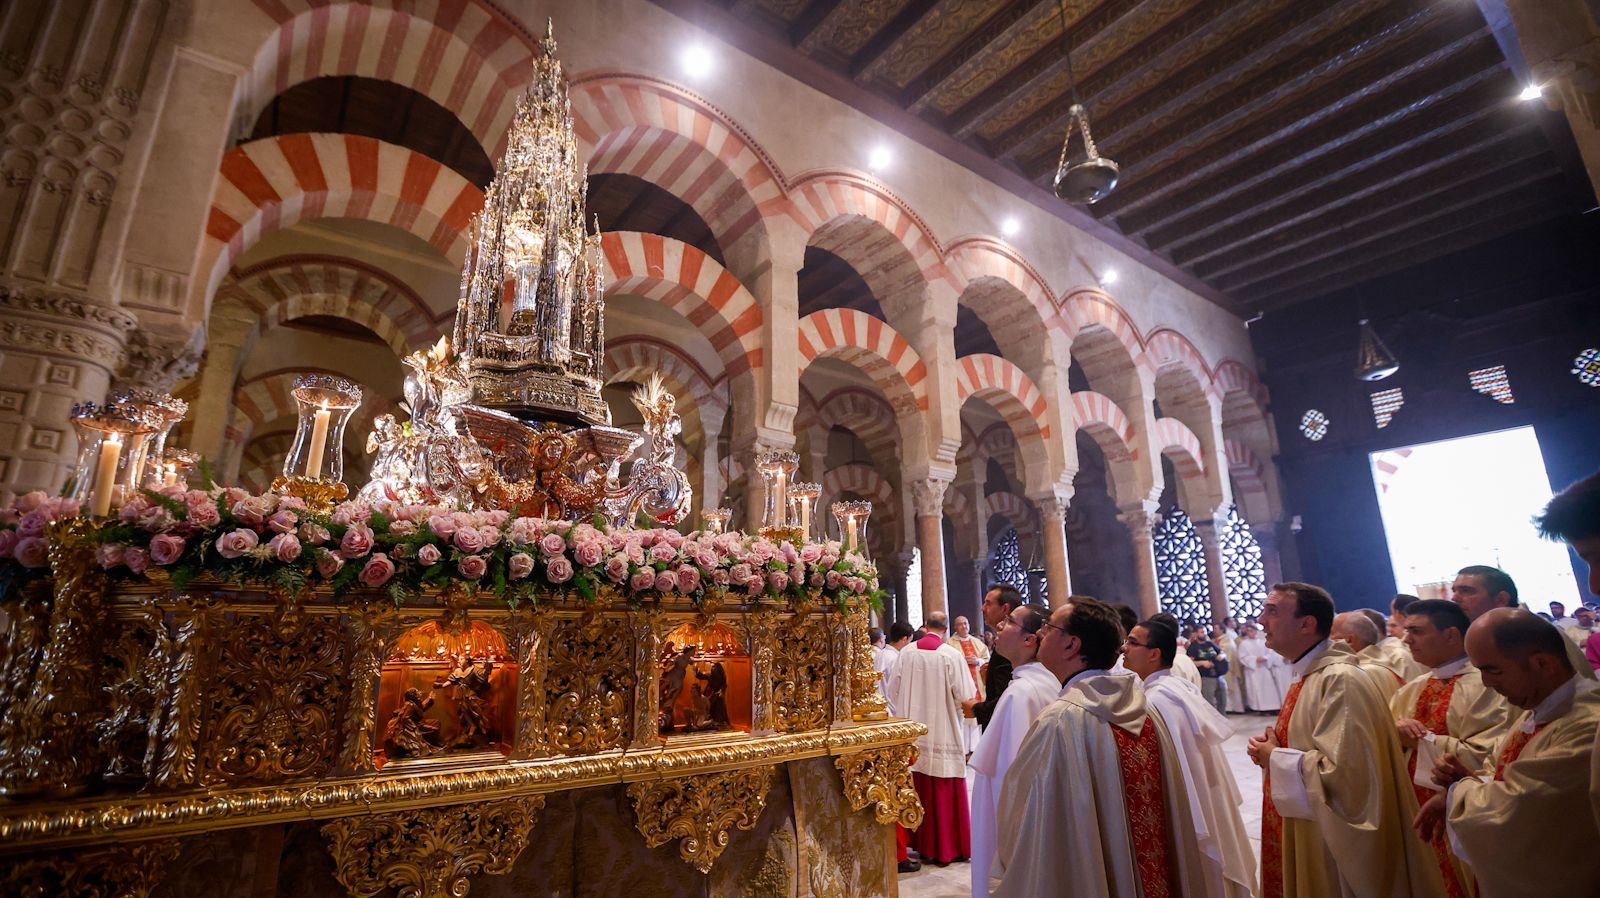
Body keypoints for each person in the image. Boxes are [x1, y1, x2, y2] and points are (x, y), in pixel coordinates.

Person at [993, 596, 1207, 897]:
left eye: (1051, 627)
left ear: (1072, 645)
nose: (1041, 634)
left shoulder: (1061, 720)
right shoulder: (1146, 710)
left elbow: (1031, 826)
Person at [1248, 582, 1445, 898]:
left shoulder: (1340, 680)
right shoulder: (1310, 675)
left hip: (1335, 852)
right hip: (1310, 829)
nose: (1260, 620)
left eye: (1271, 611)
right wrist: (1279, 743)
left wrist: (1275, 758)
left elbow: (1348, 780)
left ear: (1307, 623)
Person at [1415, 609, 1600, 896]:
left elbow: (1522, 810)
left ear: (1543, 664)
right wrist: (1470, 778)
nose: (1487, 684)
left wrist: (1457, 794)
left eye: (1493, 670)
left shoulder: (1587, 726)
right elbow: (1502, 776)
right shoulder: (1533, 713)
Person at [1124, 613, 1255, 898]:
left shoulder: (1158, 699)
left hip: (1193, 799)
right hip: (1207, 794)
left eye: (1132, 642)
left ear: (1154, 654)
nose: (1124, 648)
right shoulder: (1173, 688)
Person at [1391, 599, 1512, 897]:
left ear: (1451, 635)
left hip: (1464, 813)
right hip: (1414, 808)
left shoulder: (1487, 684)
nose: (1406, 639)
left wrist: (1420, 741)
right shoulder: (1410, 688)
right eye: (1406, 631)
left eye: (1416, 631)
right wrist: (1393, 732)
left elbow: (1489, 755)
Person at [969, 604, 1058, 897]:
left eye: (1008, 621)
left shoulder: (1020, 695)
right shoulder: (1045, 682)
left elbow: (1011, 784)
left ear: (1029, 639)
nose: (999, 626)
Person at [886, 610, 974, 867]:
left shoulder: (907, 653)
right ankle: (947, 848)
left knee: (915, 785)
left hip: (913, 735)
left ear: (926, 626)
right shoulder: (951, 655)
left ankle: (919, 843)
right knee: (944, 790)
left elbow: (893, 690)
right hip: (943, 730)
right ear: (946, 630)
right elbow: (965, 694)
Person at [1451, 564, 1594, 680]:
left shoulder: (1533, 633)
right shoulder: (1492, 633)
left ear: (1501, 599)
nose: (1454, 598)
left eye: (1466, 591)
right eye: (1455, 591)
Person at [968, 584, 1022, 730]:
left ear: (1004, 608)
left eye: (988, 603)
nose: (982, 608)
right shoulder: (1015, 641)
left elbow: (1006, 698)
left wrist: (975, 709)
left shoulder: (1008, 645)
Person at [1331, 610, 1403, 703]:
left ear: (1349, 640)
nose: (1327, 640)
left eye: (1331, 633)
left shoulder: (1355, 674)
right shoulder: (1384, 666)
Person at [1237, 622, 1287, 712]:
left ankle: (1273, 707)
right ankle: (1261, 709)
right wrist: (1254, 659)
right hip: (1253, 670)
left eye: (1252, 630)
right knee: (1256, 689)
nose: (1250, 633)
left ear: (1256, 631)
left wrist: (1266, 658)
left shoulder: (1263, 642)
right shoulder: (1244, 643)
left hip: (1264, 668)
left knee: (1269, 689)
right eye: (1248, 631)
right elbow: (1242, 657)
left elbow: (1271, 653)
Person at [1186, 623, 1230, 715]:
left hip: (1218, 675)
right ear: (1195, 634)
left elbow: (1222, 653)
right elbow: (1189, 663)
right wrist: (1202, 663)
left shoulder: (1210, 644)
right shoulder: (1193, 647)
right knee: (1209, 702)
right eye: (1202, 632)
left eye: (1205, 632)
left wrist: (1221, 656)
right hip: (1205, 677)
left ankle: (1223, 718)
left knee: (1222, 699)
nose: (1204, 634)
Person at [880, 621, 914, 716]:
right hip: (891, 710)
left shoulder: (880, 654)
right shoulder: (896, 659)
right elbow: (895, 688)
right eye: (909, 641)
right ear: (904, 639)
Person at [1215, 622, 1246, 713]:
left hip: (1228, 666)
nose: (1214, 630)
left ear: (1221, 629)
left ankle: (1236, 708)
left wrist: (1217, 649)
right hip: (1220, 667)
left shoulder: (1227, 639)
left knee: (1232, 687)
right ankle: (1228, 708)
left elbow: (1228, 649)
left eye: (1216, 628)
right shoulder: (1216, 640)